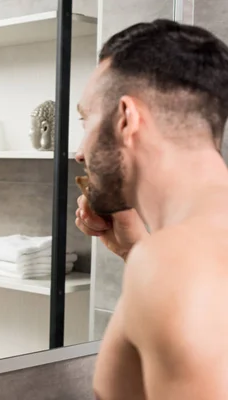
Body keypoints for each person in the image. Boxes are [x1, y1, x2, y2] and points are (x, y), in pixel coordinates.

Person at [74, 19, 228, 399]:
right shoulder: (184, 253)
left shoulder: (174, 263)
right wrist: (134, 250)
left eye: (86, 119)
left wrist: (151, 257)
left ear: (127, 118)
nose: (80, 151)